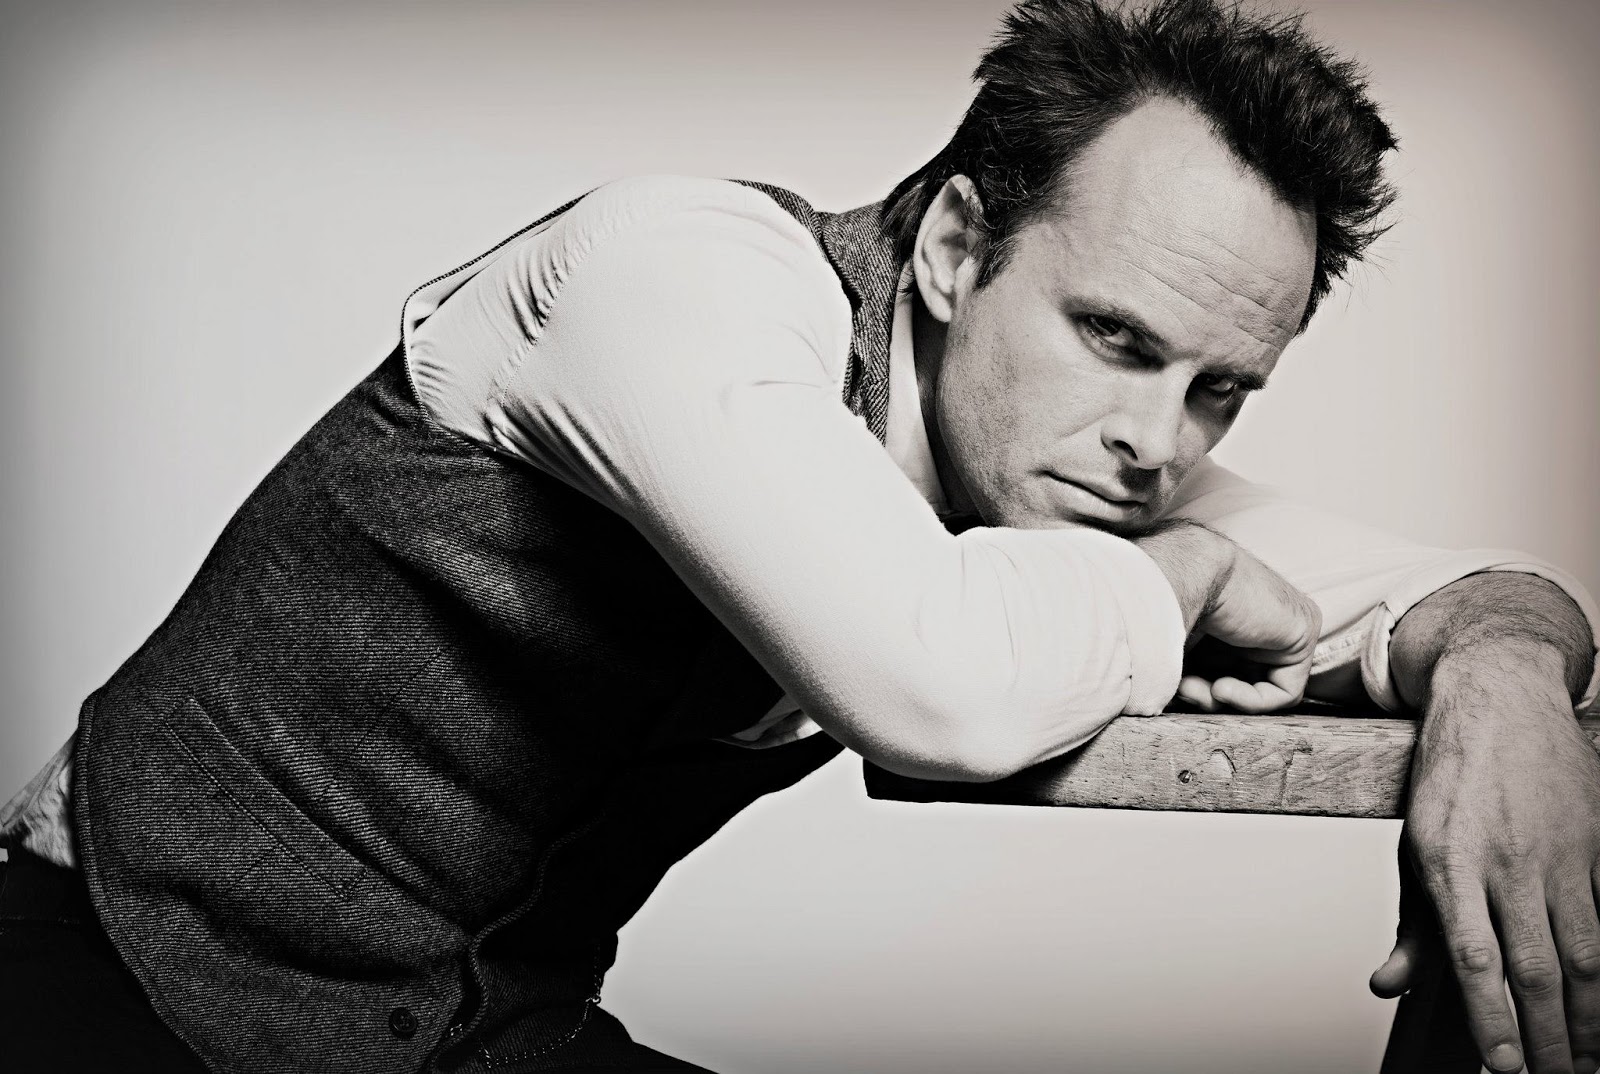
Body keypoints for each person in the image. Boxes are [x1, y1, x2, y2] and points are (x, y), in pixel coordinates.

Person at [1, 0, 1596, 1071]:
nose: (1161, 440)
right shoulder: (670, 273)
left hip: (470, 1036)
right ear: (959, 244)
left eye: (1221, 390)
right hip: (114, 972)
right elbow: (933, 676)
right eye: (1115, 338)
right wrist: (1174, 578)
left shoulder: (1065, 456)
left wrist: (1510, 678)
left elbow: (1447, 594)